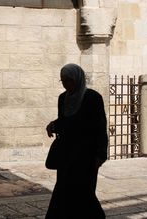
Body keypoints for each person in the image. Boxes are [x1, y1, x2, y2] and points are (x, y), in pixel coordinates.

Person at [45, 63, 108, 219]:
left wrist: (101, 154)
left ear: (78, 79)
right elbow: (64, 122)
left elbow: (100, 127)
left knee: (84, 191)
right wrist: (53, 125)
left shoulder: (92, 98)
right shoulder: (62, 98)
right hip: (67, 154)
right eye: (63, 81)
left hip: (86, 155)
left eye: (69, 80)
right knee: (63, 190)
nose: (66, 84)